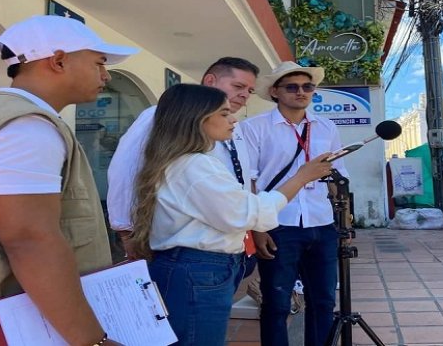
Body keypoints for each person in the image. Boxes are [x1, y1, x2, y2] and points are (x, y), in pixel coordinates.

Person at [0, 15, 138, 345]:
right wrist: (93, 340)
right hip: (23, 318)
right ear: (58, 61)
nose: (106, 75)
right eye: (99, 63)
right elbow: (30, 240)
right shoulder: (27, 128)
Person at [128, 84, 332, 345]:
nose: (233, 118)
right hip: (198, 269)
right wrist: (301, 177)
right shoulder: (194, 165)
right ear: (197, 118)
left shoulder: (188, 161)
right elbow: (248, 213)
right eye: (224, 114)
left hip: (198, 268)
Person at [107, 57, 260, 259]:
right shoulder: (161, 115)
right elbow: (125, 170)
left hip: (227, 242)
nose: (244, 95)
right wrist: (126, 230)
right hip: (181, 246)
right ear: (210, 81)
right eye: (238, 86)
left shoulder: (234, 127)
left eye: (250, 90)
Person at [241, 61, 347, 346]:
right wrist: (257, 229)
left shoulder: (326, 127)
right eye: (292, 87)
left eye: (307, 86)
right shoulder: (253, 128)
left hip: (322, 223)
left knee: (323, 301)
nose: (301, 92)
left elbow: (339, 176)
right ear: (276, 91)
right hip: (278, 224)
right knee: (276, 304)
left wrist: (343, 217)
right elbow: (249, 181)